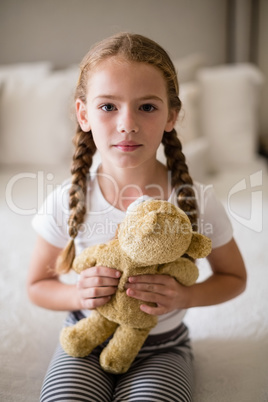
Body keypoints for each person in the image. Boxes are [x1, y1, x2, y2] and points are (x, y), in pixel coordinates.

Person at [27, 32, 247, 402]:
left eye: (146, 107)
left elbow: (234, 277)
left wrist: (183, 296)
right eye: (108, 106)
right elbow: (37, 286)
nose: (127, 123)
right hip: (87, 338)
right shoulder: (66, 200)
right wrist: (76, 293)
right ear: (83, 114)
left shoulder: (195, 201)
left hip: (163, 347)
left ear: (171, 115)